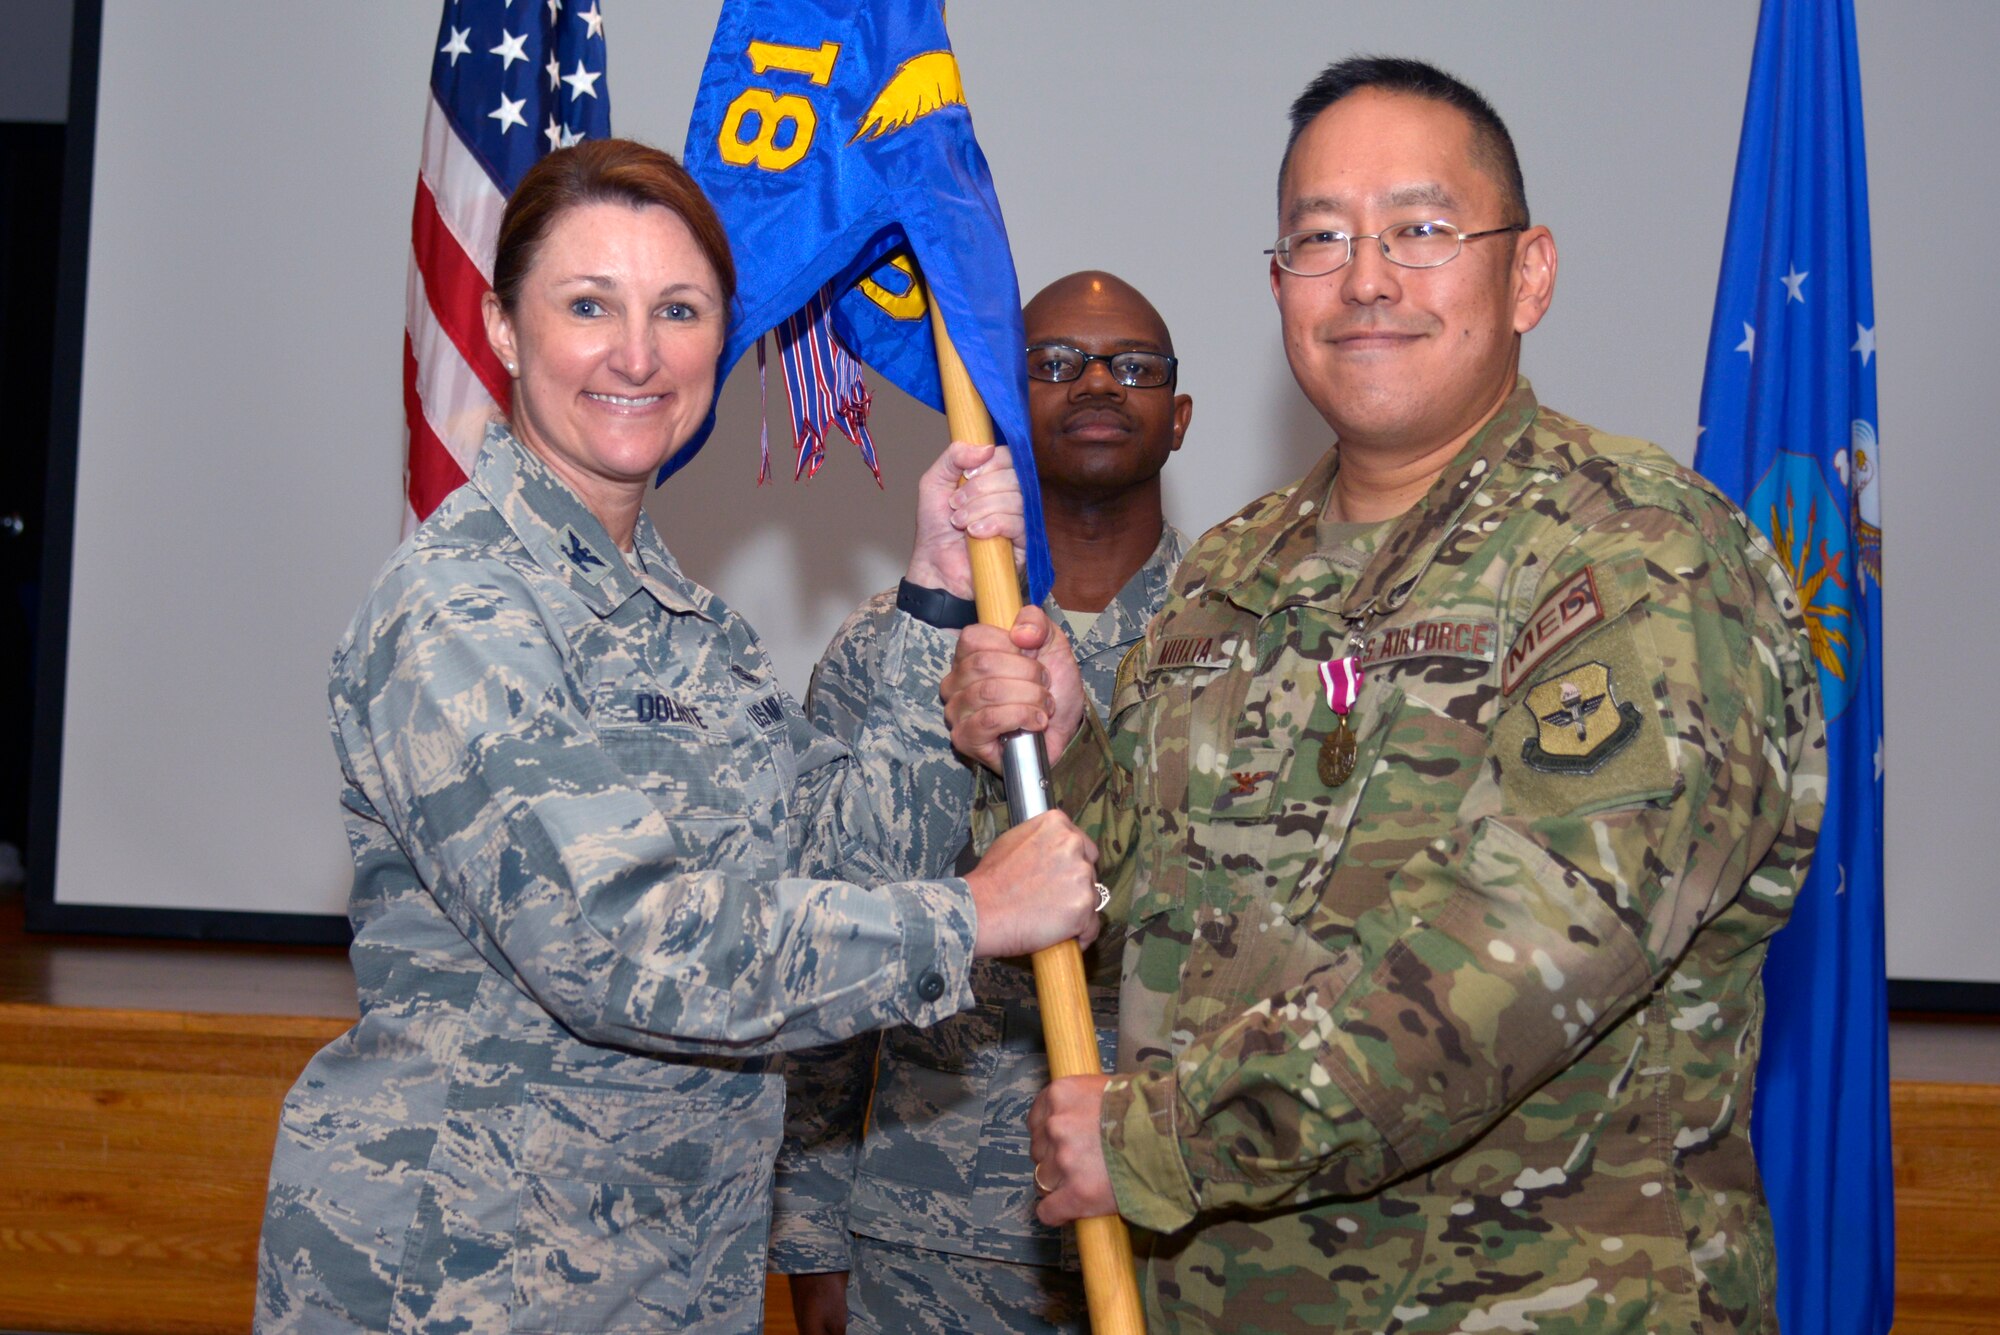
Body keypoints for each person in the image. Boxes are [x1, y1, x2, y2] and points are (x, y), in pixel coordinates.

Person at [943, 57, 1825, 1334]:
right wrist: (1053, 767)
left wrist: (1165, 1142)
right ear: (1278, 289)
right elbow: (1115, 943)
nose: (1365, 278)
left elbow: (1521, 959)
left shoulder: (1635, 560)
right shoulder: (1229, 579)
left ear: (1525, 273)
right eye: (1320, 239)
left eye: (1419, 229)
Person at [254, 139, 1103, 1335]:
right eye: (587, 304)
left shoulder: (693, 630)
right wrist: (973, 918)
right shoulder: (457, 610)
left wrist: (927, 602)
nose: (636, 354)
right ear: (501, 330)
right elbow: (618, 946)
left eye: (680, 309)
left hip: (668, 1276)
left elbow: (838, 866)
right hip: (467, 1280)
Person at [777, 272, 1193, 1335]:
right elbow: (828, 940)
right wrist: (812, 1237)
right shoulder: (894, 642)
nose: (1094, 382)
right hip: (928, 1244)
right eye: (1051, 364)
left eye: (1131, 366)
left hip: (1180, 1233)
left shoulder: (1250, 643)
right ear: (1004, 411)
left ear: (1178, 417)